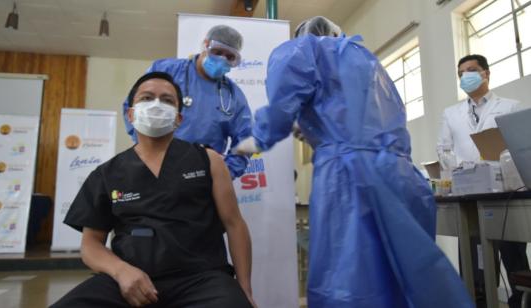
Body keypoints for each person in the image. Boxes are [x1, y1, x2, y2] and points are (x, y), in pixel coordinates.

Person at [234, 16, 473, 308]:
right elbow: (367, 121)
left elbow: (284, 104)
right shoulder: (367, 61)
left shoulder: (305, 50)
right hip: (401, 175)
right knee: (408, 273)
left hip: (348, 178)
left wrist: (259, 138)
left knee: (351, 277)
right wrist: (316, 129)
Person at [52, 72, 255, 308]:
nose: (157, 105)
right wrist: (120, 271)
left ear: (179, 118)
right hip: (129, 280)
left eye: (167, 100)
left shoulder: (209, 161)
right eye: (147, 98)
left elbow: (234, 224)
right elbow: (90, 245)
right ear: (130, 113)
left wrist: (245, 289)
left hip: (202, 280)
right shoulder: (106, 174)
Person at [438, 54, 528, 308]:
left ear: (486, 73)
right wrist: (465, 170)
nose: (466, 76)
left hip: (504, 195)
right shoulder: (451, 113)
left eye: (471, 70)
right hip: (469, 197)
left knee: (514, 258)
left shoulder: (511, 106)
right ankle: (477, 300)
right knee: (475, 262)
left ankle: (520, 301)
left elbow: (520, 146)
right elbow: (443, 149)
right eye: (461, 73)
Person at [122, 25, 252, 179]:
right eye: (217, 52)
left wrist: (224, 173)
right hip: (155, 167)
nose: (221, 59)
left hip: (202, 176)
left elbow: (246, 139)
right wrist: (147, 148)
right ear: (205, 45)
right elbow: (132, 107)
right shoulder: (166, 70)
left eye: (229, 57)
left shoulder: (233, 95)